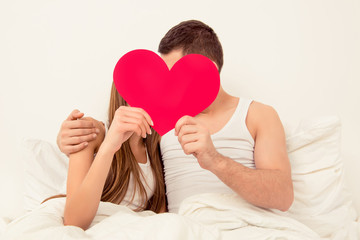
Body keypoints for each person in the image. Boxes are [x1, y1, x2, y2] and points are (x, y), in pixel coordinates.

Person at [57, 20, 294, 214]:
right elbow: (119, 136)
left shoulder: (258, 115)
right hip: (183, 228)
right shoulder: (160, 119)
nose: (168, 85)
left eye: (178, 73)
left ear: (207, 68)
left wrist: (215, 160)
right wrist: (71, 137)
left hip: (248, 226)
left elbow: (283, 197)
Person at [43, 83, 166, 230]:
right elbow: (74, 221)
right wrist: (109, 145)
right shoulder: (92, 130)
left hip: (126, 229)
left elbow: (160, 217)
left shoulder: (155, 147)